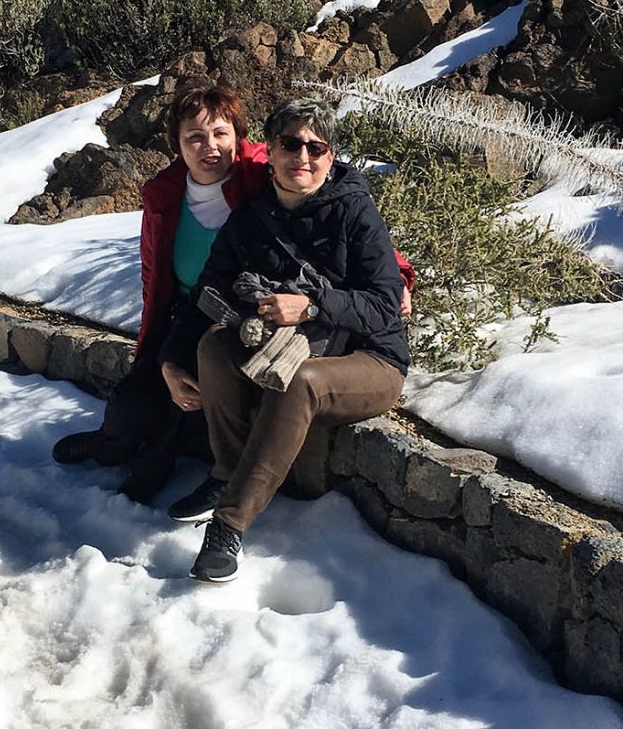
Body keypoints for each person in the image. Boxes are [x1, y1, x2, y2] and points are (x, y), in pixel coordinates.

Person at [163, 96, 409, 582]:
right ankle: (225, 473)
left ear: (330, 156)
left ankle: (229, 523)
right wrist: (171, 362)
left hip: (370, 357)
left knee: (301, 383)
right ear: (269, 152)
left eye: (316, 147)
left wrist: (314, 306)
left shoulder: (354, 212)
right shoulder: (252, 218)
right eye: (291, 144)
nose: (303, 157)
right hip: (284, 347)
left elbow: (385, 304)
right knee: (214, 346)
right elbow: (208, 291)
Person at [50, 82, 268, 500]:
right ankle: (111, 443)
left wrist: (396, 273)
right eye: (195, 137)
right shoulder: (166, 194)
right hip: (182, 314)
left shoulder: (261, 177)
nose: (211, 146)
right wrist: (155, 345)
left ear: (238, 135)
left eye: (221, 133)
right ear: (178, 145)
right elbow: (155, 273)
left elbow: (325, 203)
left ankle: (156, 464)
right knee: (134, 400)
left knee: (187, 389)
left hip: (235, 321)